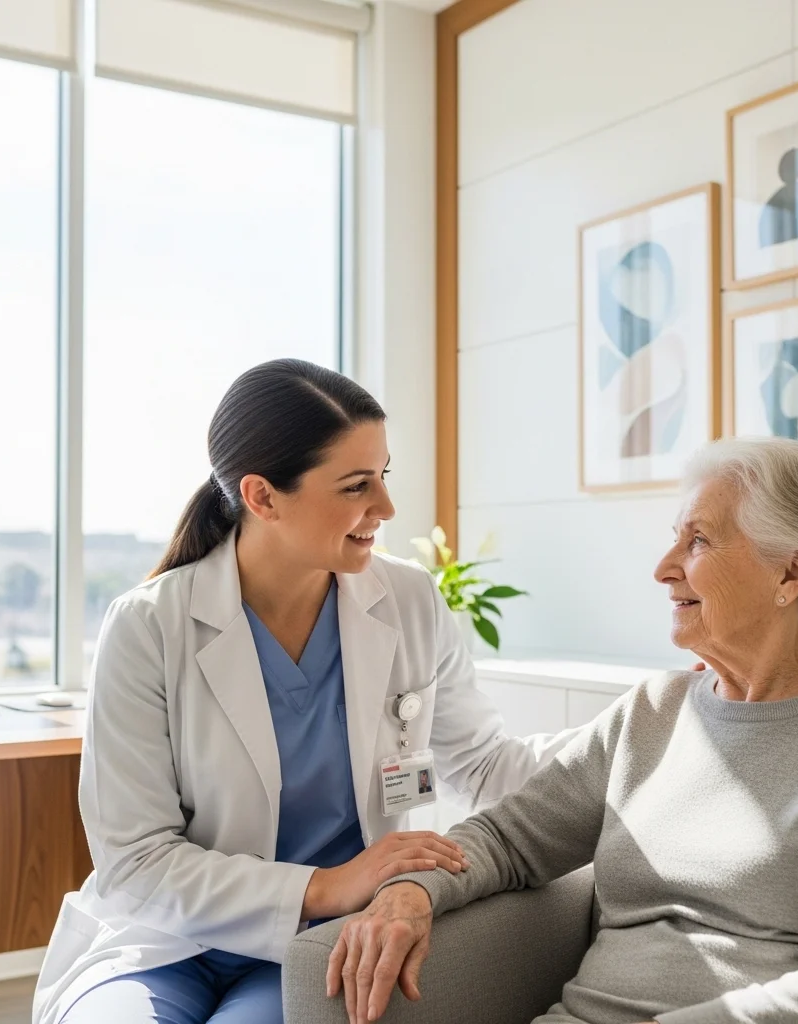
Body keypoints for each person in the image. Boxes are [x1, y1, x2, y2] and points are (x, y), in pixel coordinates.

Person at [32, 359, 590, 1024]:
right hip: (163, 939)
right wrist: (324, 884)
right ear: (264, 497)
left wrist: (646, 729)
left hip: (314, 944)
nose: (385, 508)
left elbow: (484, 764)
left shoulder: (408, 601)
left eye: (383, 476)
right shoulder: (149, 625)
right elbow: (136, 860)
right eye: (357, 486)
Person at [329, 437, 798, 1024]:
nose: (663, 568)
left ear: (791, 575)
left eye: (699, 541)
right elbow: (510, 838)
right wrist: (412, 890)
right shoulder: (658, 707)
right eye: (673, 539)